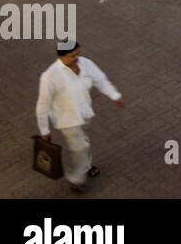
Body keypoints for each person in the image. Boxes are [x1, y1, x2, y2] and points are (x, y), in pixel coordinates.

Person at [35, 43, 123, 193]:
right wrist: (44, 129)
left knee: (84, 142)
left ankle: (87, 166)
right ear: (61, 57)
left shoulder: (85, 63)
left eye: (77, 53)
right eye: (72, 56)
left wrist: (114, 95)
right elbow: (42, 105)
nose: (77, 58)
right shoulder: (50, 77)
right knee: (79, 148)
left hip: (85, 114)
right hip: (67, 120)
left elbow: (100, 80)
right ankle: (77, 179)